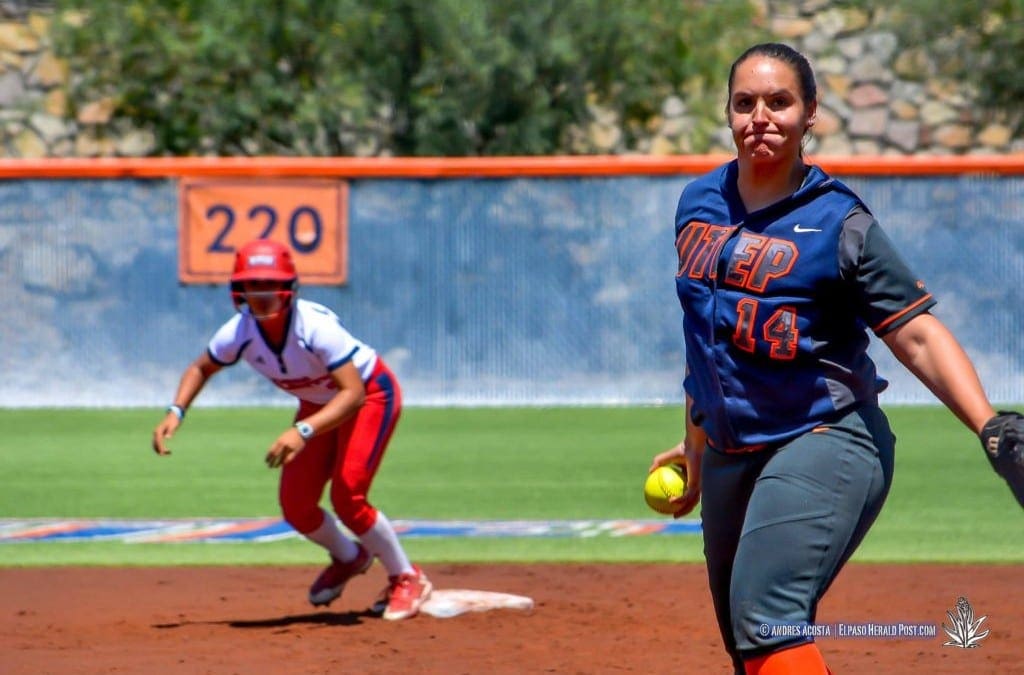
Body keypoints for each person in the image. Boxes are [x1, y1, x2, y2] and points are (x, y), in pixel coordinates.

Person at [650, 42, 1024, 674]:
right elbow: (705, 340)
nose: (760, 117)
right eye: (745, 103)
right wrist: (694, 442)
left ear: (810, 113)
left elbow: (915, 332)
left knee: (765, 615)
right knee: (751, 641)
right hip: (729, 451)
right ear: (728, 113)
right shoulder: (698, 205)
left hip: (824, 436)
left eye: (779, 102)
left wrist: (988, 423)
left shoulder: (838, 221)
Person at [152, 238, 432, 621]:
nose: (262, 294)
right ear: (240, 289)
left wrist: (301, 431)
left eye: (270, 283)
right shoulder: (239, 332)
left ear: (290, 287)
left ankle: (407, 577)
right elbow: (201, 367)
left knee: (348, 495)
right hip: (318, 406)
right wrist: (176, 410)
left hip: (370, 397)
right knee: (297, 506)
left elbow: (352, 394)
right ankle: (351, 558)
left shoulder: (315, 327)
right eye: (252, 284)